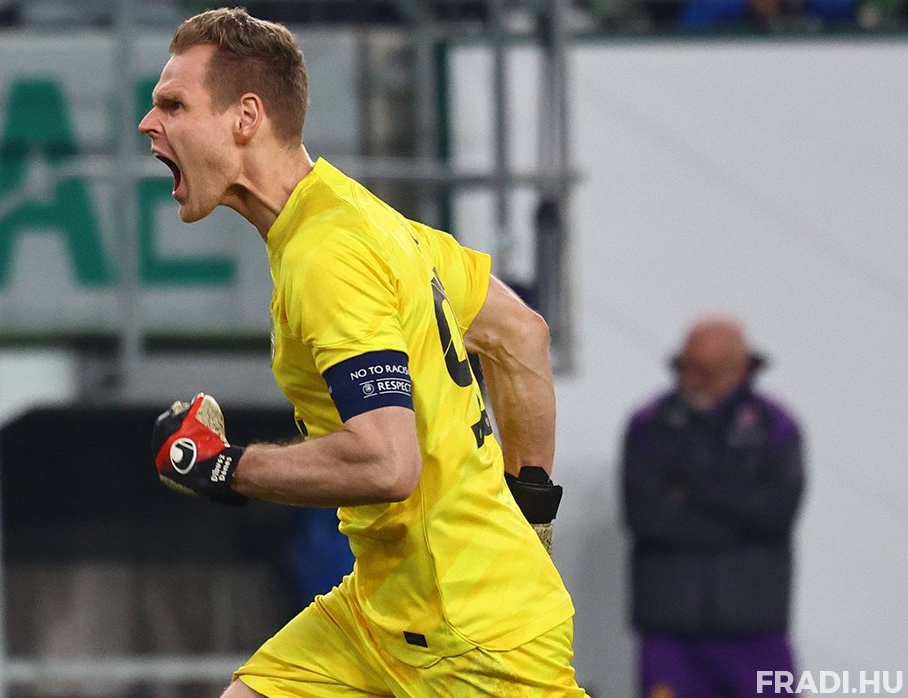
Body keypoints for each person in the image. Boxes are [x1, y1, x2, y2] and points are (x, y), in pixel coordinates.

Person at [139, 8, 585, 696]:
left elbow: (387, 463)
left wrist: (226, 467)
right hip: (382, 608)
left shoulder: (327, 255)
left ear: (246, 117)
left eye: (173, 105)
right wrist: (530, 520)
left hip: (468, 635)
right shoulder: (357, 216)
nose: (149, 123)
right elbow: (518, 335)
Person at [622, 316, 805, 698]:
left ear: (739, 370)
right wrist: (738, 510)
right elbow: (646, 517)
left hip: (755, 629)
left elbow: (776, 515)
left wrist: (690, 491)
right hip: (671, 631)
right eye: (684, 366)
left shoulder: (775, 427)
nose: (689, 379)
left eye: (703, 371)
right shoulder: (650, 425)